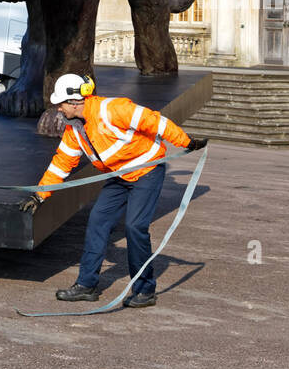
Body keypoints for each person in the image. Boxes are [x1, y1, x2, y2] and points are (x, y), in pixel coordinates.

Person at [22, 73, 206, 307]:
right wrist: (40, 195)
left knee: (135, 227)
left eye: (60, 104)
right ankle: (86, 285)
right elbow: (61, 163)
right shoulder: (74, 129)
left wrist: (186, 142)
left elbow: (155, 122)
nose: (58, 109)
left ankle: (145, 290)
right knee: (97, 222)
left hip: (146, 172)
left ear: (75, 101)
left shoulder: (113, 109)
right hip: (118, 178)